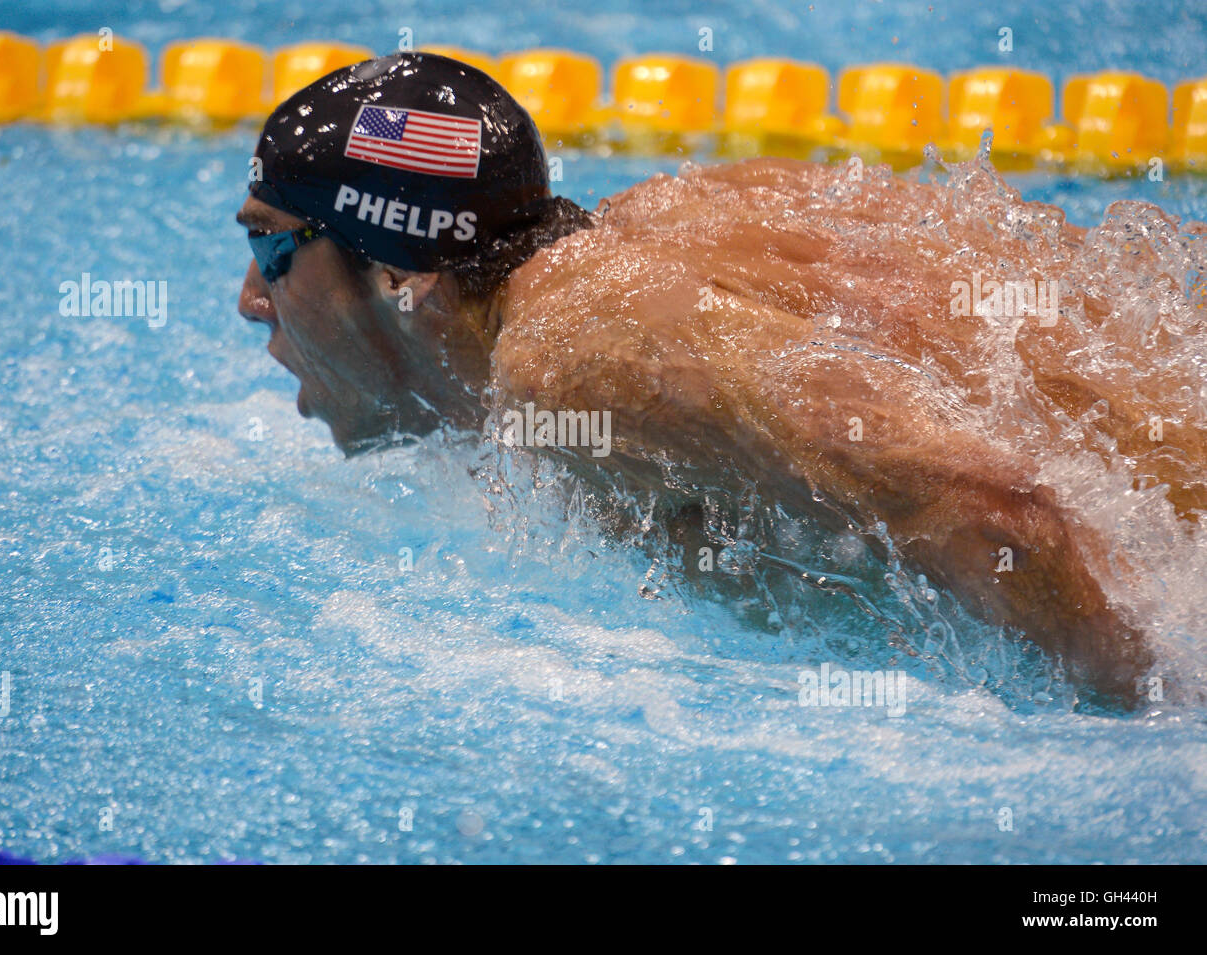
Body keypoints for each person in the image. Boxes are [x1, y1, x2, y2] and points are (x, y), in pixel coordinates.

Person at [238, 52, 1203, 704]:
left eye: (272, 248)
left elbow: (1003, 517)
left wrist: (1142, 728)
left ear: (398, 267)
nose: (250, 299)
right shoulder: (670, 220)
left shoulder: (574, 363)